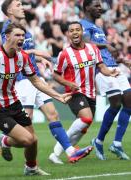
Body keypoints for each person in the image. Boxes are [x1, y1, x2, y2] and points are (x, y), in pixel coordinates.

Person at [0, 22, 87, 176]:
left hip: (14, 104)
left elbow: (36, 81)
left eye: (23, 36)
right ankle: (3, 141)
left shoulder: (23, 57)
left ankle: (31, 168)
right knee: (27, 140)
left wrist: (58, 96)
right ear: (7, 37)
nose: (22, 39)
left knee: (33, 140)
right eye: (17, 35)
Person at [0, 0, 93, 168]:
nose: (22, 7)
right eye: (19, 5)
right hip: (23, 80)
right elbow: (13, 52)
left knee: (53, 115)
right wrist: (37, 52)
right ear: (9, 10)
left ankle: (70, 152)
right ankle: (0, 141)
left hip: (35, 77)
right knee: (26, 123)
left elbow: (25, 55)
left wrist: (40, 58)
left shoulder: (23, 28)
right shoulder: (7, 29)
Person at [48, 21, 119, 164]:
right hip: (74, 92)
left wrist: (110, 73)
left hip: (91, 92)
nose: (74, 32)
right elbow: (55, 75)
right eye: (71, 30)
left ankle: (55, 154)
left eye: (77, 30)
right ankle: (70, 150)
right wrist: (68, 83)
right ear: (68, 34)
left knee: (84, 126)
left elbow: (101, 67)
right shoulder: (65, 53)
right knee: (86, 118)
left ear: (82, 32)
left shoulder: (93, 49)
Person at [80, 0, 131, 160]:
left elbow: (105, 50)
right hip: (101, 69)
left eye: (100, 5)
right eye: (96, 5)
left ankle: (116, 143)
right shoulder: (83, 24)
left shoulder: (99, 28)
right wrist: (106, 46)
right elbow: (84, 42)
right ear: (87, 7)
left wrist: (121, 60)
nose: (100, 8)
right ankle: (99, 141)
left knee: (129, 101)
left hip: (114, 66)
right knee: (115, 103)